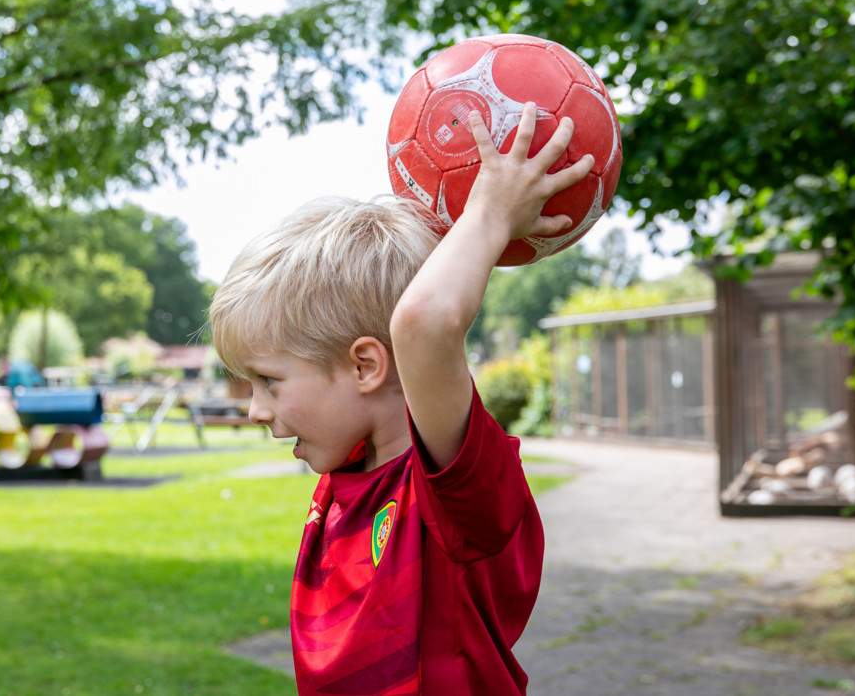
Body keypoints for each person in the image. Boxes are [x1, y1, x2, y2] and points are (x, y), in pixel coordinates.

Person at [209, 105, 594, 695]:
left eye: (270, 382)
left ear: (365, 365)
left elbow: (424, 323)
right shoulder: (343, 479)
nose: (257, 410)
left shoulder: (453, 496)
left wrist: (490, 213)